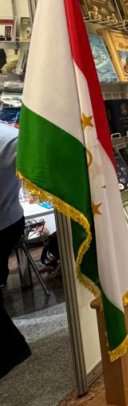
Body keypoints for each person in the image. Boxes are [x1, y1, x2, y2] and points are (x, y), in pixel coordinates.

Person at [0, 123, 31, 377]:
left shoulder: (10, 139)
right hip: (9, 219)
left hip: (4, 223)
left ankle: (12, 351)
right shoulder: (10, 137)